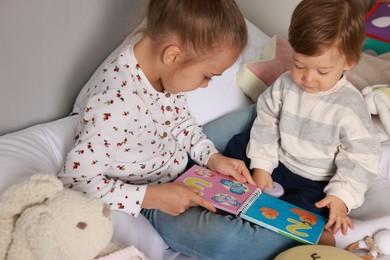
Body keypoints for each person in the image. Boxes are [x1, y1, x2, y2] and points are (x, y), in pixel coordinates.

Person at [58, 1, 302, 259]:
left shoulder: (161, 72)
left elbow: (181, 123)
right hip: (153, 197)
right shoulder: (115, 102)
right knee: (224, 239)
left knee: (257, 112)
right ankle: (311, 243)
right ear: (173, 55)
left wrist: (212, 158)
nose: (206, 85)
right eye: (207, 76)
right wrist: (151, 197)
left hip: (185, 164)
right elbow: (76, 182)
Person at [225, 0, 384, 247]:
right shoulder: (285, 84)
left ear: (349, 62)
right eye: (299, 64)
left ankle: (312, 236)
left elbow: (361, 158)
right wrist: (262, 167)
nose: (307, 78)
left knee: (309, 210)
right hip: (278, 160)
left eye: (322, 72)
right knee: (237, 146)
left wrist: (341, 197)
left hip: (313, 180)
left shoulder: (350, 106)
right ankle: (225, 200)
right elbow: (266, 123)